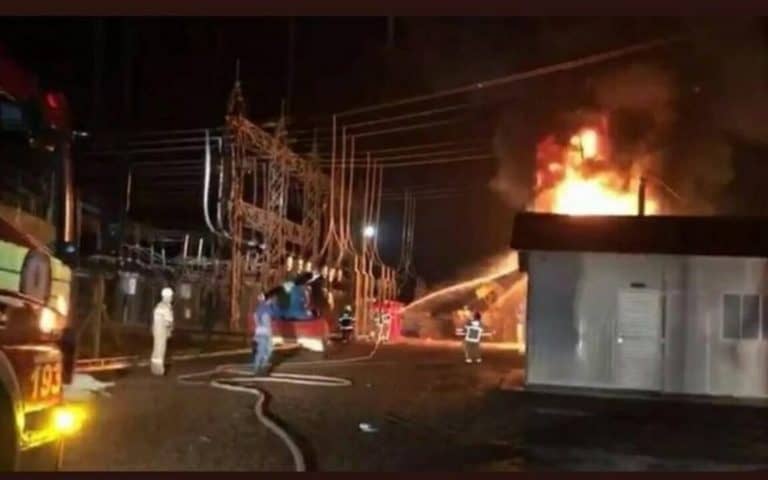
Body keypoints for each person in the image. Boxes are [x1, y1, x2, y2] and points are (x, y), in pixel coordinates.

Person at [151, 287, 174, 376]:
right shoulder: (166, 307)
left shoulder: (159, 306)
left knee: (156, 349)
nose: (171, 298)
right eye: (171, 297)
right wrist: (170, 330)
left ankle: (154, 368)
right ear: (168, 297)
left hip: (156, 330)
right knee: (161, 350)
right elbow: (168, 322)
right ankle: (159, 370)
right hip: (162, 331)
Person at [253, 294, 277, 375]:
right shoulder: (264, 308)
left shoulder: (262, 308)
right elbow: (274, 314)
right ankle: (258, 369)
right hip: (264, 333)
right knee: (263, 351)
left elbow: (273, 314)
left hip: (264, 333)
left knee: (266, 351)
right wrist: (272, 304)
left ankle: (260, 368)